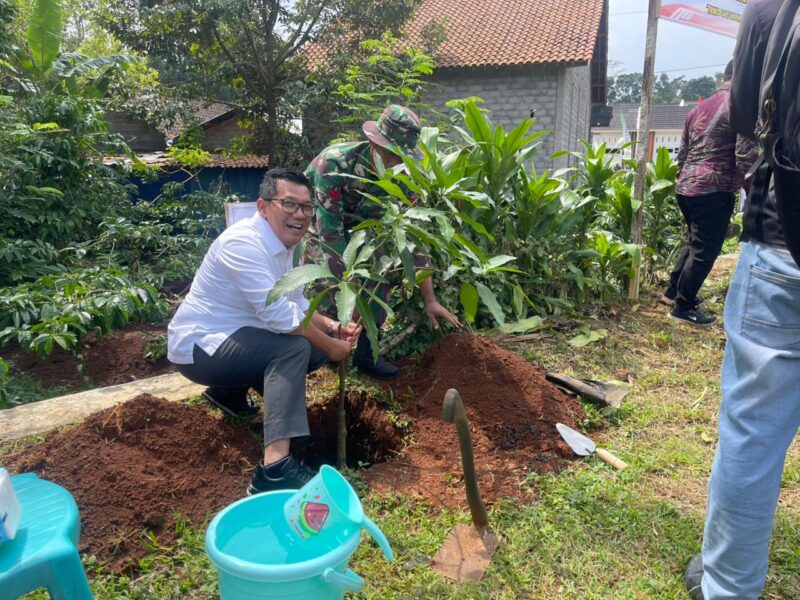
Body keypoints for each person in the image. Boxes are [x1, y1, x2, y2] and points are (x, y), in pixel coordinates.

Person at [684, 0, 800, 598]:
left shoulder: (769, 11)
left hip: (784, 239)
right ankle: (682, 301)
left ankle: (727, 587)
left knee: (753, 434)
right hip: (717, 190)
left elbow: (751, 114)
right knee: (701, 250)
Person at [167, 168, 361, 493]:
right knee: (294, 348)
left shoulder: (286, 247)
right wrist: (331, 347)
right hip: (200, 349)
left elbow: (296, 301)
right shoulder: (242, 244)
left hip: (236, 339)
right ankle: (273, 468)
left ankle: (228, 392)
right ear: (262, 206)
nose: (299, 214)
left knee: (307, 347)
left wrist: (332, 326)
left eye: (306, 207)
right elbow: (280, 318)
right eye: (289, 204)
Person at [305, 104, 461, 379]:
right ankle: (326, 348)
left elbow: (411, 237)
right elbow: (330, 234)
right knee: (331, 287)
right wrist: (350, 292)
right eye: (388, 153)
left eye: (399, 156)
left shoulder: (404, 177)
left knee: (381, 274)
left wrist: (430, 299)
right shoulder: (334, 164)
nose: (392, 162)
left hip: (366, 232)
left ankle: (369, 353)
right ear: (373, 142)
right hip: (320, 228)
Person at [663, 60, 738, 327]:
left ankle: (674, 292)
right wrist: (753, 189)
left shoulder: (699, 107)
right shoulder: (739, 106)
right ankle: (683, 308)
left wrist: (684, 177)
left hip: (687, 185)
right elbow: (746, 153)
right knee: (706, 249)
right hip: (713, 187)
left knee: (694, 241)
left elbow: (682, 151)